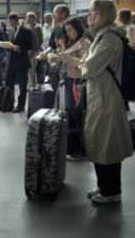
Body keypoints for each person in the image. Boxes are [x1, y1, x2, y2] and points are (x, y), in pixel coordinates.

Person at [79, 0, 132, 205]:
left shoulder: (109, 39)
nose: (89, 16)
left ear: (103, 14)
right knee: (99, 141)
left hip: (107, 99)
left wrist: (82, 65)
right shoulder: (102, 36)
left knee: (108, 145)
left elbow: (90, 68)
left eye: (93, 12)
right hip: (100, 97)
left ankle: (111, 191)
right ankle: (104, 186)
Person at [49, 16, 91, 160]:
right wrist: (56, 59)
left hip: (76, 82)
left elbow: (85, 64)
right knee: (67, 114)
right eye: (66, 31)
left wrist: (66, 58)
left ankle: (78, 149)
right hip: (66, 80)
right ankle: (72, 147)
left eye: (71, 30)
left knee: (75, 115)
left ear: (78, 28)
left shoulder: (85, 43)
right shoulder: (72, 42)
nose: (68, 33)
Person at [2, 12, 34, 113]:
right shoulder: (11, 30)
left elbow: (30, 45)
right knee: (9, 83)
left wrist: (19, 48)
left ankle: (20, 106)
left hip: (22, 62)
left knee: (22, 86)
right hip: (11, 61)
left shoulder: (26, 30)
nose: (9, 23)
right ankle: (9, 103)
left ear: (15, 20)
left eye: (10, 21)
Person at [25, 12, 44, 88]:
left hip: (35, 52)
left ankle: (33, 86)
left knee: (32, 70)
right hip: (29, 52)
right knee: (29, 71)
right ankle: (31, 85)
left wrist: (33, 51)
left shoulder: (37, 28)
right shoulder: (27, 27)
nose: (27, 19)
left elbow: (39, 41)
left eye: (28, 17)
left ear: (32, 18)